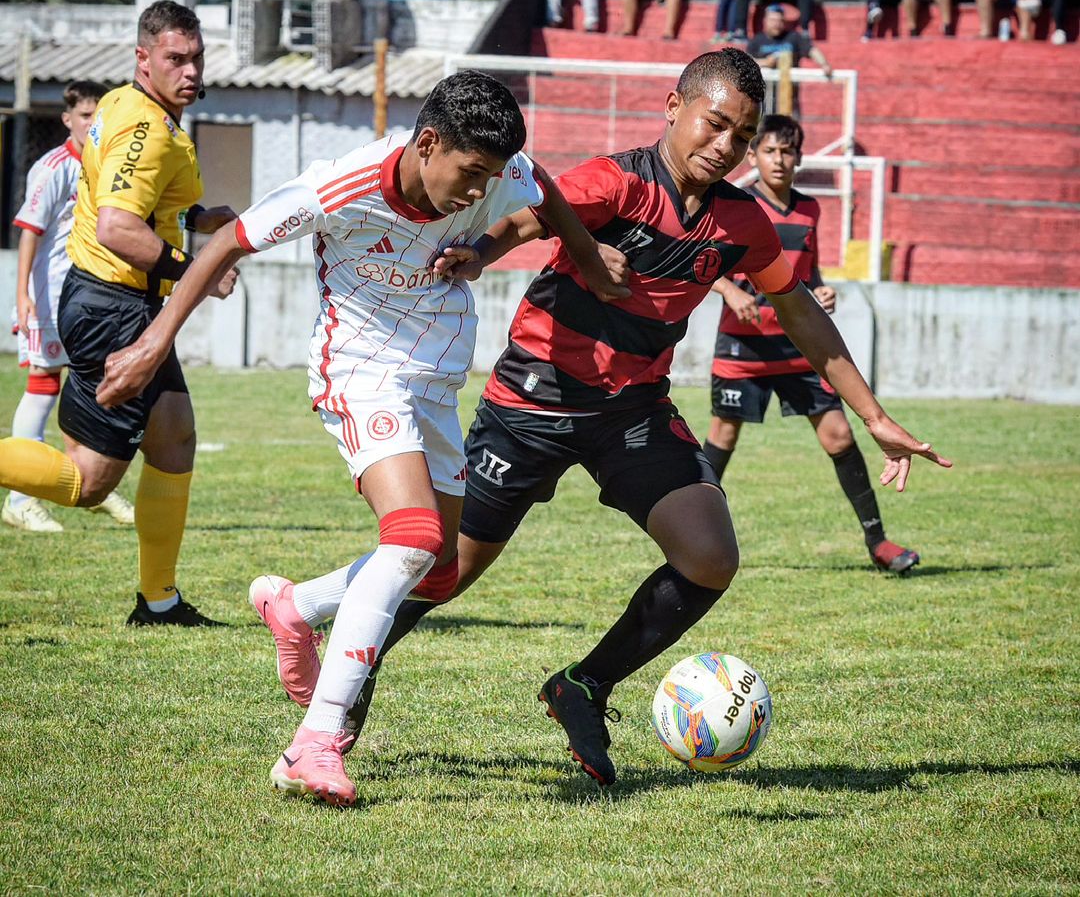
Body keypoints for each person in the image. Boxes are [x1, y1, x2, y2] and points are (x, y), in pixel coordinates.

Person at [293, 49, 950, 789]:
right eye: (715, 123)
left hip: (633, 409)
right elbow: (529, 213)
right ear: (674, 108)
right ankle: (354, 672)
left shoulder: (743, 222)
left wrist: (875, 415)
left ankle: (584, 684)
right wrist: (479, 250)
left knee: (710, 555)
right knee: (447, 568)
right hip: (532, 401)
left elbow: (797, 310)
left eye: (742, 133)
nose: (726, 145)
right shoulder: (618, 180)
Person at [94, 69, 630, 806]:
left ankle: (294, 603)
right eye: (470, 175)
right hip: (359, 371)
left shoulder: (499, 173)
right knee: (410, 537)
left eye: (490, 178)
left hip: (435, 384)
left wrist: (577, 256)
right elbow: (229, 243)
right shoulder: (341, 186)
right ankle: (313, 742)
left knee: (437, 570)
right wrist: (156, 342)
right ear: (428, 142)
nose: (479, 194)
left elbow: (542, 188)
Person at [0, 0, 238, 625]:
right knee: (87, 483)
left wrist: (197, 220)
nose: (190, 71)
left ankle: (158, 601)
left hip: (116, 300)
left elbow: (140, 203)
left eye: (196, 58)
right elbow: (117, 227)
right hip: (116, 309)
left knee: (175, 439)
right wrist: (199, 271)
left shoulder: (124, 104)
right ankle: (158, 599)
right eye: (175, 59)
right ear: (144, 59)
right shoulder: (147, 129)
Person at [705, 114, 920, 575]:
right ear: (753, 155)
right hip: (743, 349)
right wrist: (731, 290)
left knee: (840, 435)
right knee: (723, 436)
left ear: (799, 158)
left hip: (798, 349)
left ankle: (878, 543)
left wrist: (823, 291)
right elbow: (704, 261)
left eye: (787, 151)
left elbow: (809, 273)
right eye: (769, 150)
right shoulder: (736, 206)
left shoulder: (810, 210)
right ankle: (687, 538)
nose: (778, 160)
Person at [4, 80, 136, 534]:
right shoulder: (55, 167)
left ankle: (89, 478)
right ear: (68, 119)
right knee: (42, 384)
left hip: (86, 298)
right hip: (49, 295)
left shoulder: (104, 164)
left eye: (99, 116)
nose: (92, 124)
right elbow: (28, 231)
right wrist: (21, 294)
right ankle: (20, 500)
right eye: (85, 116)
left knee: (86, 390)